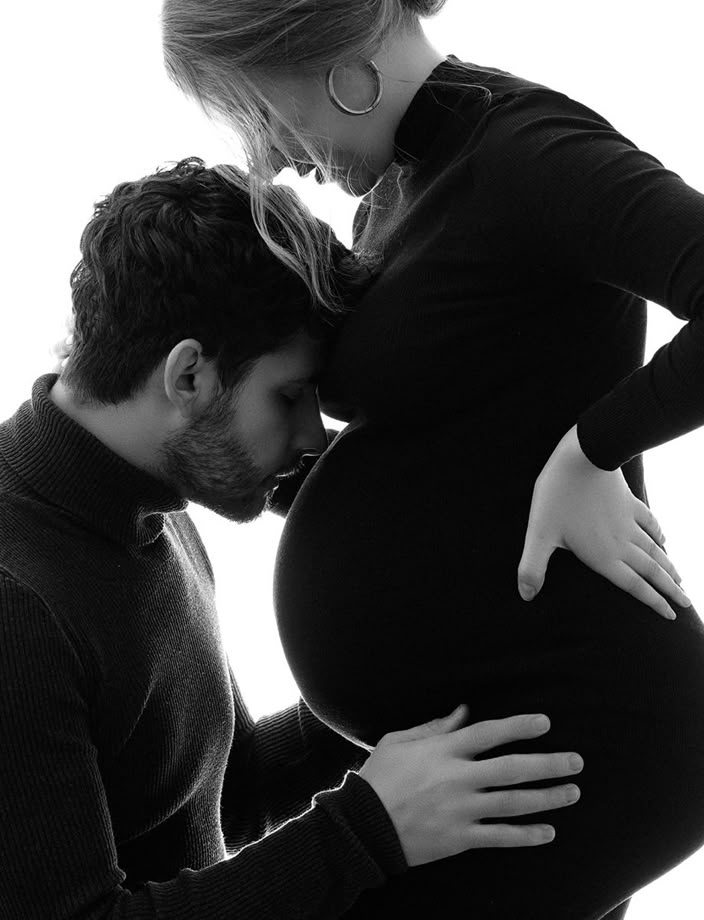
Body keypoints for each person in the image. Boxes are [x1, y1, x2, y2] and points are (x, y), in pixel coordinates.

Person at [162, 1, 704, 918]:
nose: (267, 156)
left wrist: (592, 453)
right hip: (502, 723)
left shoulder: (531, 151)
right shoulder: (401, 185)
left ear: (325, 55)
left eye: (259, 112)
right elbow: (457, 445)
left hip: (600, 731)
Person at [0, 158, 588, 920]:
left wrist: (414, 686)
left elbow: (225, 795)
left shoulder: (152, 500)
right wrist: (369, 829)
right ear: (188, 376)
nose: (315, 435)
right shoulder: (17, 607)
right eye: (290, 395)